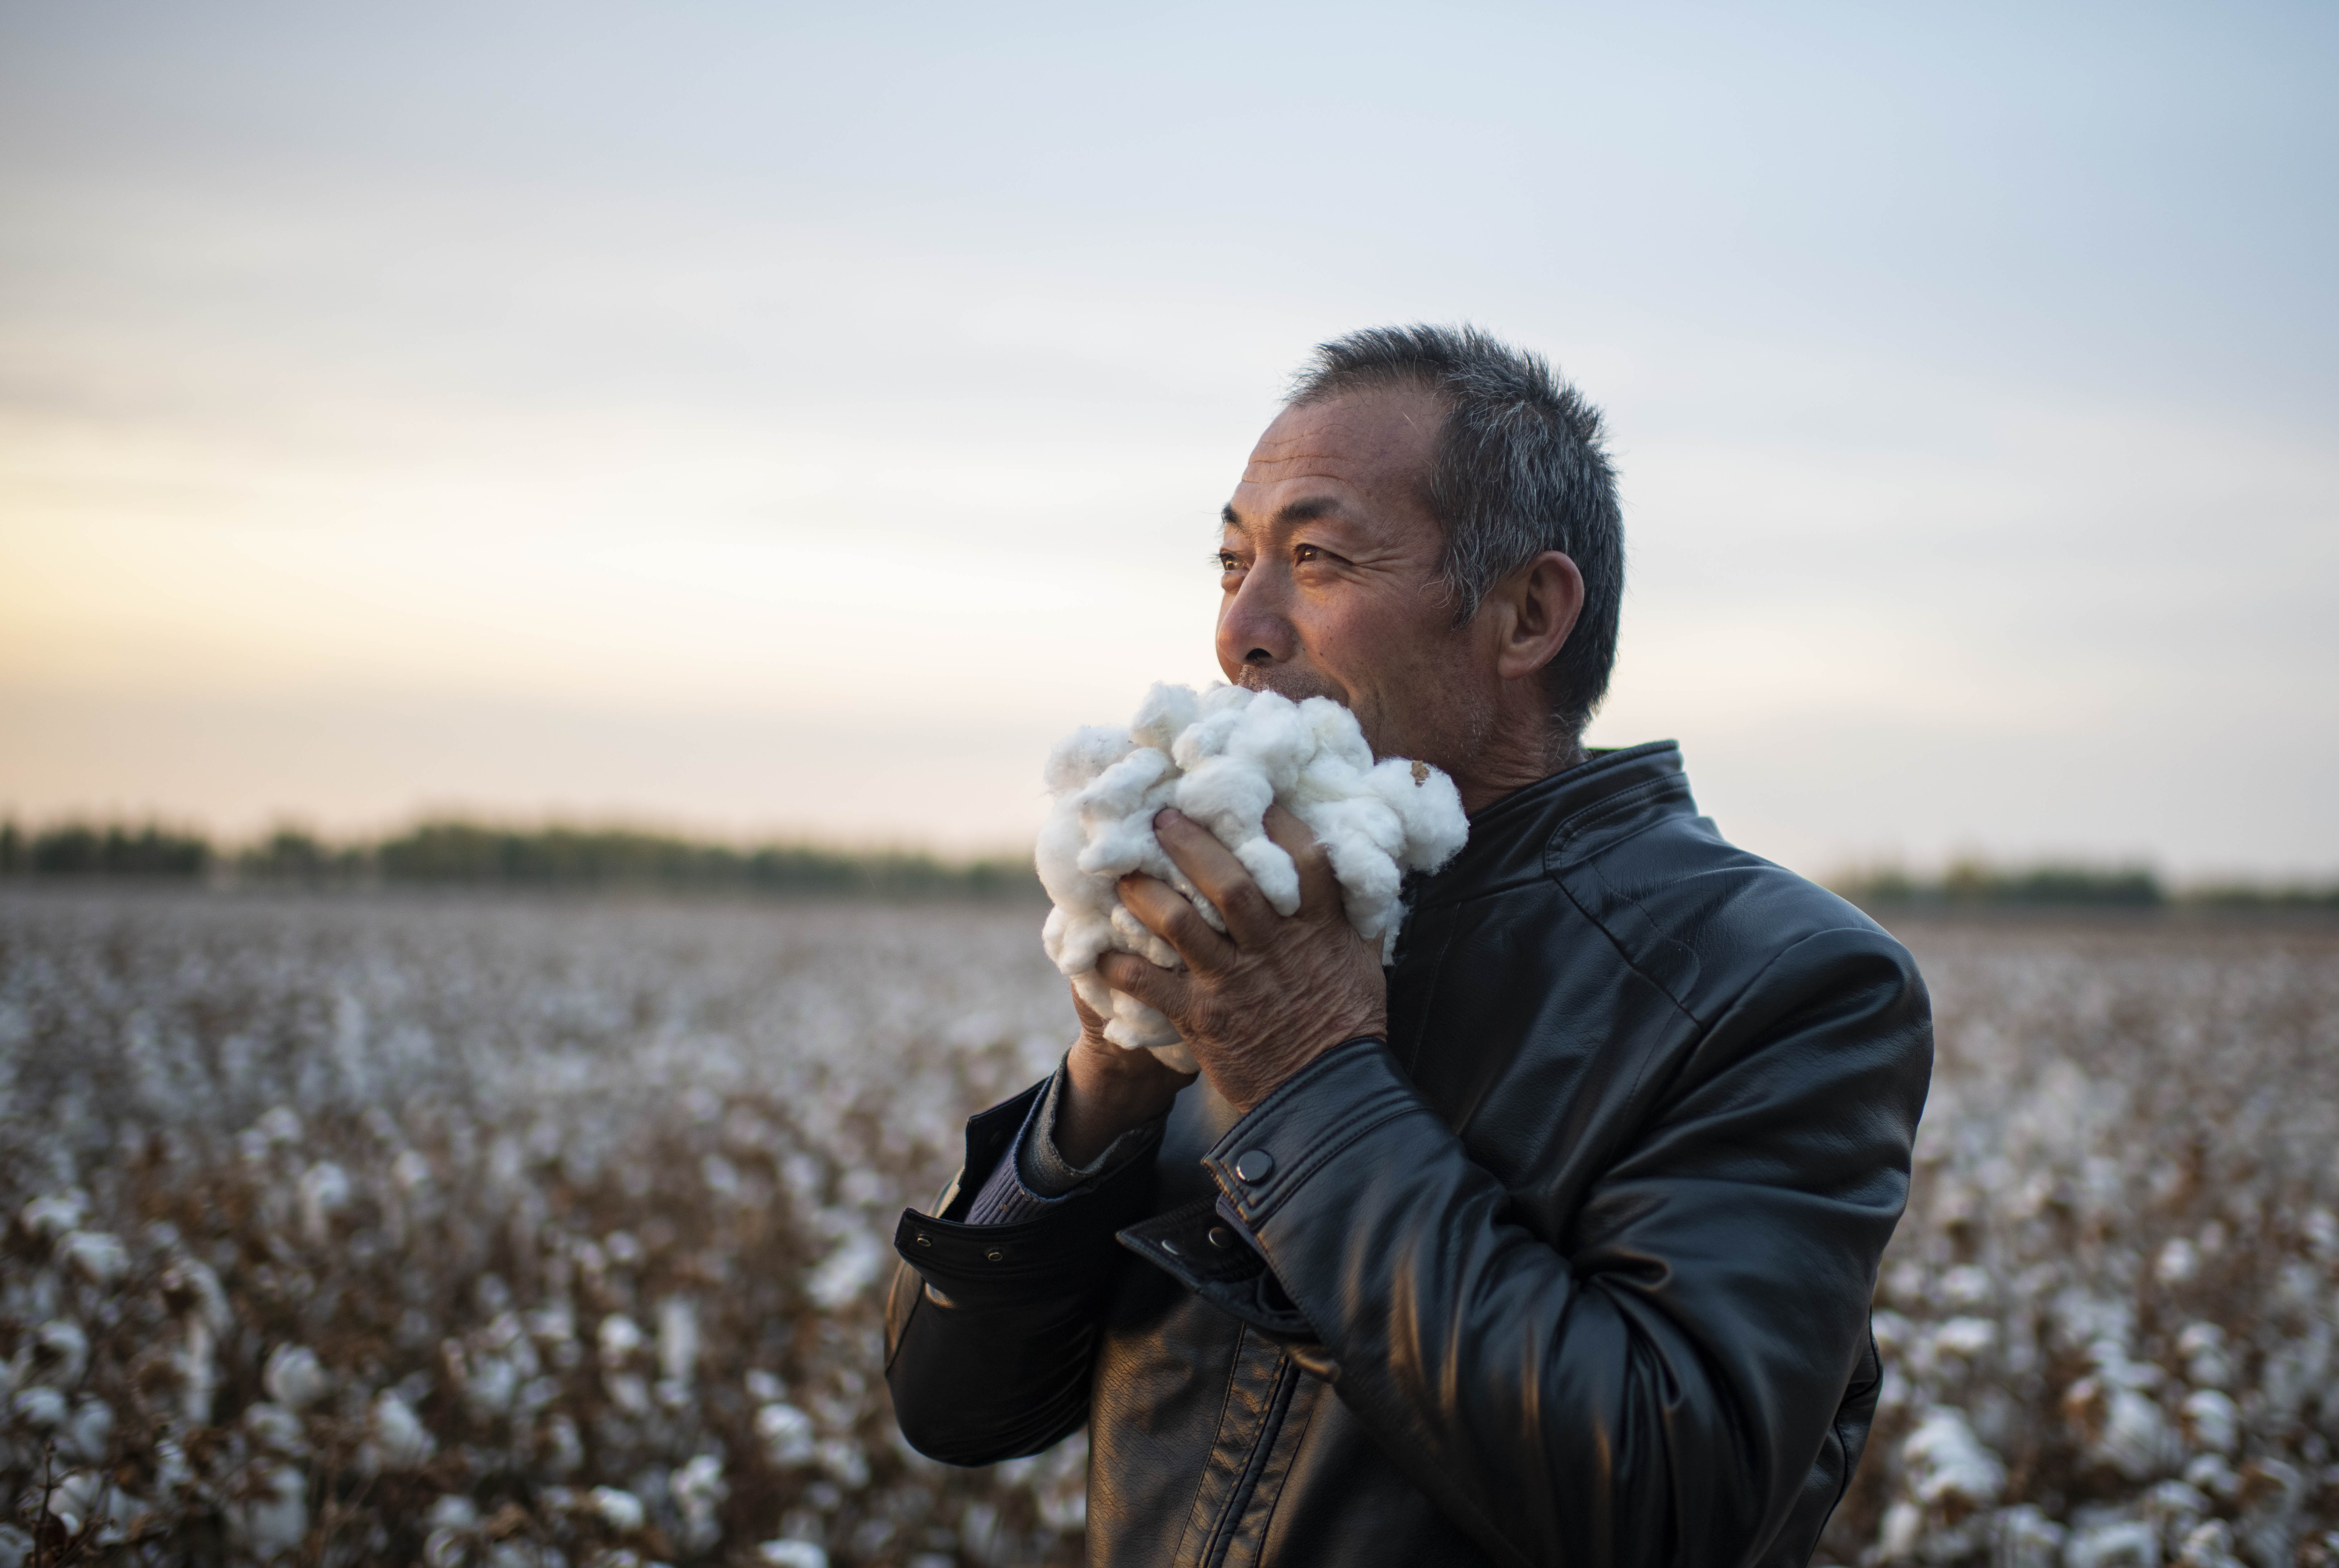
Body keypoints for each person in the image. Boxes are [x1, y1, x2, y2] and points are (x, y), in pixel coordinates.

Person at [884, 324, 1933, 1568]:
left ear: (1526, 612)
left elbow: (1667, 1506)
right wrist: (1098, 1098)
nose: (1241, 633)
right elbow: (952, 1409)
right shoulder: (1262, 920)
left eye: (1316, 559)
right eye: (1231, 564)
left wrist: (1306, 1077)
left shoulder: (1776, 982)